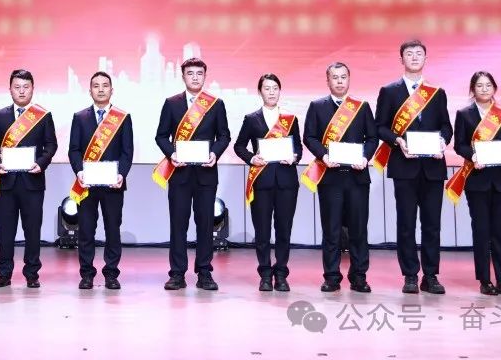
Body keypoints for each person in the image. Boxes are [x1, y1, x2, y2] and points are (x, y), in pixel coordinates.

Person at [373, 40, 453, 295]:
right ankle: (410, 275)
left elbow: (446, 126)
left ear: (426, 59)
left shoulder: (437, 93)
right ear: (402, 59)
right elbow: (379, 127)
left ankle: (430, 275)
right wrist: (397, 140)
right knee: (406, 223)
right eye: (409, 54)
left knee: (432, 224)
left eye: (419, 54)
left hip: (433, 167)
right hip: (404, 166)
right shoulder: (389, 91)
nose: (415, 57)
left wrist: (442, 141)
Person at [154, 57, 231, 291]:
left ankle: (204, 272)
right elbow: (161, 136)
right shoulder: (171, 103)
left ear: (205, 76)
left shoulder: (215, 104)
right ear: (183, 76)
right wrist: (172, 154)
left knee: (205, 224)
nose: (195, 77)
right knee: (178, 224)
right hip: (180, 174)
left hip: (206, 174)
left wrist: (214, 153)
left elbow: (224, 136)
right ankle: (177, 273)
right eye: (190, 73)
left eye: (199, 73)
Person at [303, 62, 377, 293]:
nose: (339, 81)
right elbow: (309, 137)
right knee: (331, 230)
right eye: (335, 77)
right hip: (330, 177)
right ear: (328, 81)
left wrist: (365, 157)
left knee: (358, 230)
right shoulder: (317, 106)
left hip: (357, 178)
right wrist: (324, 156)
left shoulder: (361, 107)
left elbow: (372, 138)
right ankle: (332, 277)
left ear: (349, 79)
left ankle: (359, 277)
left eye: (343, 77)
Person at [0, 69, 58, 288]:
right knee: (6, 231)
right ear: (10, 90)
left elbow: (51, 145)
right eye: (17, 87)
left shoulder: (43, 116)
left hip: (32, 182)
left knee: (32, 230)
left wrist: (41, 163)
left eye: (26, 87)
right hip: (6, 182)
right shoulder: (0, 115)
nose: (22, 91)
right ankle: (4, 273)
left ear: (33, 89)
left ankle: (32, 273)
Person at [452, 71, 501, 297]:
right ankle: (484, 280)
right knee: (481, 231)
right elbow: (459, 145)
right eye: (479, 85)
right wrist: (473, 156)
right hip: (477, 180)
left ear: (494, 88)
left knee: (500, 232)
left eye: (488, 85)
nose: (484, 89)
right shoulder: (464, 114)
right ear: (472, 89)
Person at [233, 73, 302, 292]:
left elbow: (298, 147)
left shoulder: (290, 119)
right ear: (260, 92)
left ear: (280, 91)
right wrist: (252, 158)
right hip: (261, 181)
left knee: (284, 230)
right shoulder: (251, 119)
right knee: (262, 230)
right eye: (267, 88)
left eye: (275, 88)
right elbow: (239, 146)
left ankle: (281, 274)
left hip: (286, 181)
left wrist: (294, 157)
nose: (271, 92)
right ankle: (264, 274)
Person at [67, 72, 134, 290]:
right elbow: (74, 150)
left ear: (112, 90)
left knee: (113, 230)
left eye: (105, 85)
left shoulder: (122, 118)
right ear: (90, 91)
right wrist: (79, 172)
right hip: (86, 184)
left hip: (113, 185)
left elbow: (127, 151)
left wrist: (121, 174)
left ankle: (111, 274)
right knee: (86, 231)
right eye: (96, 86)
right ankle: (87, 274)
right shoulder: (80, 117)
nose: (101, 89)